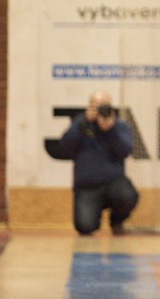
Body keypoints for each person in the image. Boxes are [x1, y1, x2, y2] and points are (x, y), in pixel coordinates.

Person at [51, 91, 138, 236]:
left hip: (113, 184)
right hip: (87, 187)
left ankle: (116, 221)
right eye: (95, 106)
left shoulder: (120, 126)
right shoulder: (80, 124)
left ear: (110, 107)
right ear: (89, 106)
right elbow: (65, 146)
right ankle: (93, 217)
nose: (99, 110)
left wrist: (110, 130)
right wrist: (83, 122)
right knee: (84, 227)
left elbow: (125, 151)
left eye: (103, 106)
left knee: (127, 195)